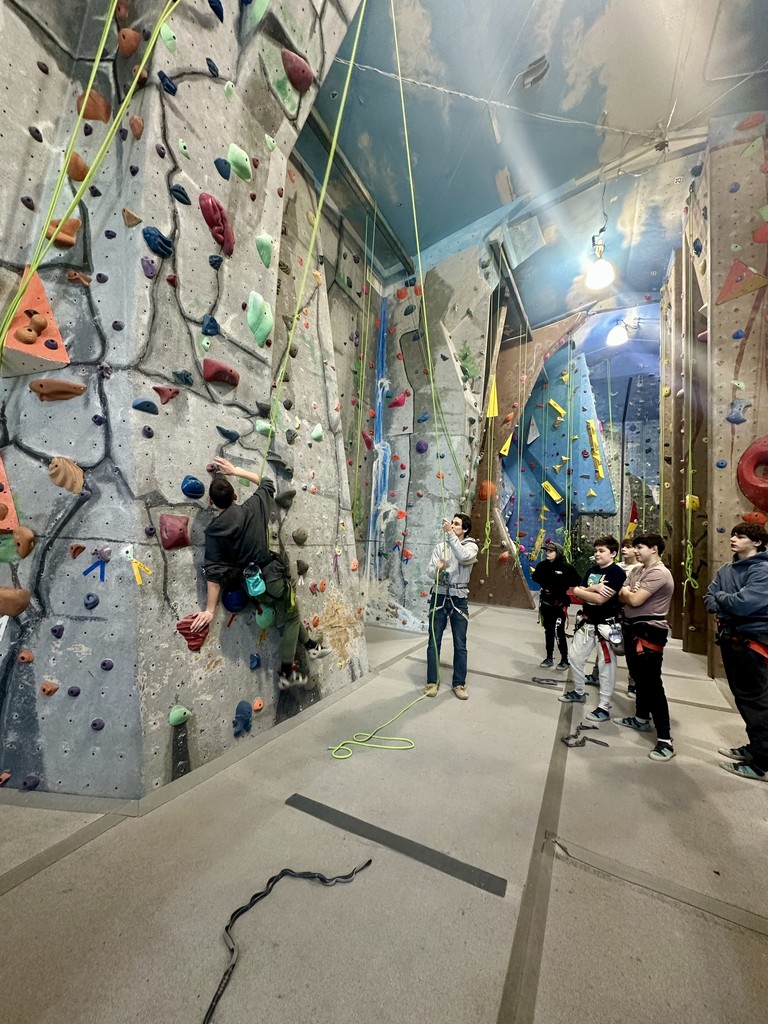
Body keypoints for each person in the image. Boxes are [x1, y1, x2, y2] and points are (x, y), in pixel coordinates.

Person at [190, 457, 328, 687]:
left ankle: (312, 647)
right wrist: (235, 470)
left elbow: (213, 573)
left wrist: (209, 610)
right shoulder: (252, 508)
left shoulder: (213, 532)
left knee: (289, 614)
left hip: (252, 586)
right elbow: (267, 483)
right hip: (272, 577)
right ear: (235, 496)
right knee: (292, 618)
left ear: (210, 501)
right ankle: (286, 673)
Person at [704, 522, 768, 782]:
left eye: (740, 536)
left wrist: (722, 598)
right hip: (731, 640)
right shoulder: (725, 569)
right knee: (743, 699)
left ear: (756, 542)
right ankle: (756, 748)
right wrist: (723, 599)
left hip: (752, 641)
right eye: (732, 534)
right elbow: (709, 598)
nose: (733, 539)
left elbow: (744, 604)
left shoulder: (762, 570)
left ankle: (762, 763)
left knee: (756, 702)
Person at [613, 534, 676, 761]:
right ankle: (641, 718)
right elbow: (622, 595)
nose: (635, 551)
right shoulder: (638, 570)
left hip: (649, 630)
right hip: (632, 628)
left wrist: (629, 593)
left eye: (639, 547)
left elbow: (635, 599)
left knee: (651, 683)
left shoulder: (659, 572)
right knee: (639, 678)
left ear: (654, 549)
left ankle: (665, 739)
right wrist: (628, 593)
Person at [559, 536, 626, 721]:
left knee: (606, 667)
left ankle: (604, 707)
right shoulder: (591, 570)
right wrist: (592, 588)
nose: (597, 554)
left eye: (601, 550)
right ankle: (579, 691)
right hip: (587, 623)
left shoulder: (616, 573)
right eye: (596, 550)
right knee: (574, 657)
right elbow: (575, 592)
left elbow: (600, 599)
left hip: (606, 625)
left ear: (612, 553)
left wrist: (584, 592)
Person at [424, 513, 478, 700]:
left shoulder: (471, 547)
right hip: (439, 595)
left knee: (460, 643)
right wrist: (437, 569)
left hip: (458, 597)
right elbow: (429, 572)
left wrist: (450, 535)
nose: (452, 525)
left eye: (456, 524)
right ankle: (432, 681)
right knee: (433, 641)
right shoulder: (440, 547)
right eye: (452, 523)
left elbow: (463, 558)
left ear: (464, 530)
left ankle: (459, 683)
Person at [585, 538, 641, 689]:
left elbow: (631, 595)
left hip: (629, 614)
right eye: (623, 546)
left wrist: (626, 593)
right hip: (612, 612)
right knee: (604, 647)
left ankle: (633, 681)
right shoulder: (616, 567)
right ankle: (596, 674)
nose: (625, 550)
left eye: (629, 547)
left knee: (631, 650)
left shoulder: (639, 569)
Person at [532, 542, 580, 670]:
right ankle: (549, 658)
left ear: (558, 552)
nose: (547, 553)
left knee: (559, 632)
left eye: (551, 551)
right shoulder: (542, 566)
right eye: (546, 550)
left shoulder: (566, 568)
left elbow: (577, 580)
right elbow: (535, 577)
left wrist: (562, 589)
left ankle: (564, 659)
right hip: (546, 604)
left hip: (559, 605)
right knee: (548, 631)